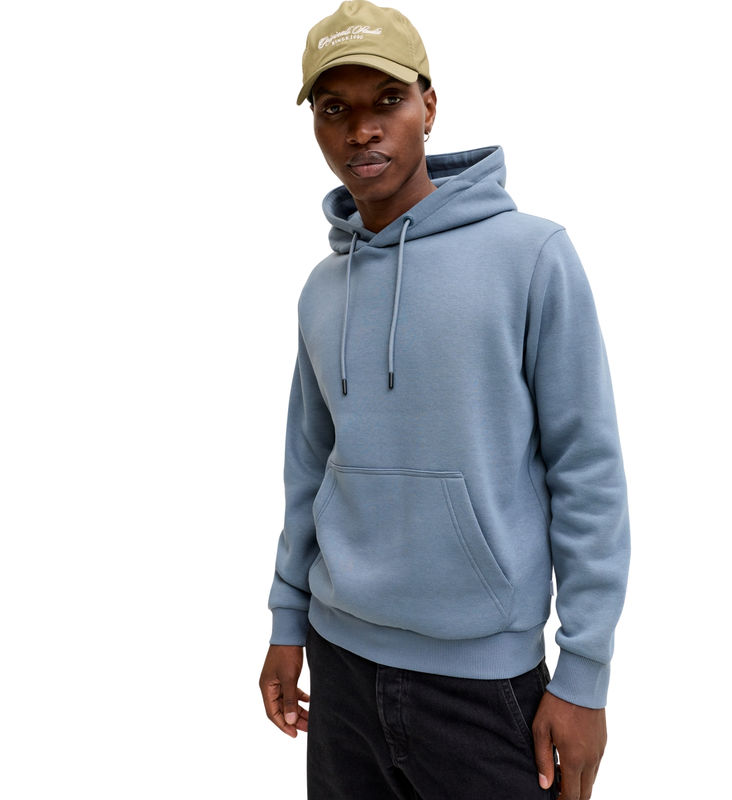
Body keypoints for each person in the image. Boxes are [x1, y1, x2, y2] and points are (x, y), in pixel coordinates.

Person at [259, 2, 631, 798]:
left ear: (429, 105)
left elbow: (587, 469)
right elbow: (308, 466)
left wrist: (585, 672)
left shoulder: (531, 255)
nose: (362, 130)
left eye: (387, 100)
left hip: (483, 681)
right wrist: (287, 619)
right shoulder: (323, 289)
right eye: (335, 109)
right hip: (339, 660)